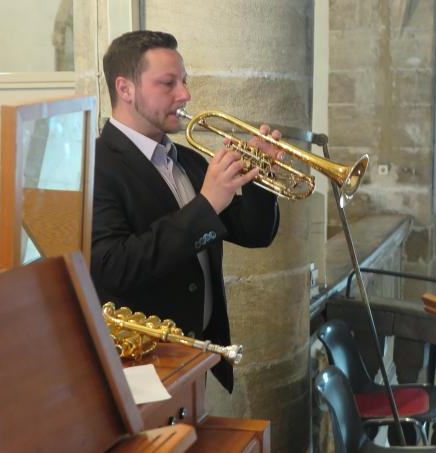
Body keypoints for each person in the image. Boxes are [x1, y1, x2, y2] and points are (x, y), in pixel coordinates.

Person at [91, 30, 281, 391]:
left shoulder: (187, 160)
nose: (185, 95)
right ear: (125, 89)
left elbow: (254, 233)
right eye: (168, 84)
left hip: (194, 354)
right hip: (139, 364)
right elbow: (115, 267)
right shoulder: (95, 165)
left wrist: (260, 175)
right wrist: (207, 203)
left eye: (184, 81)